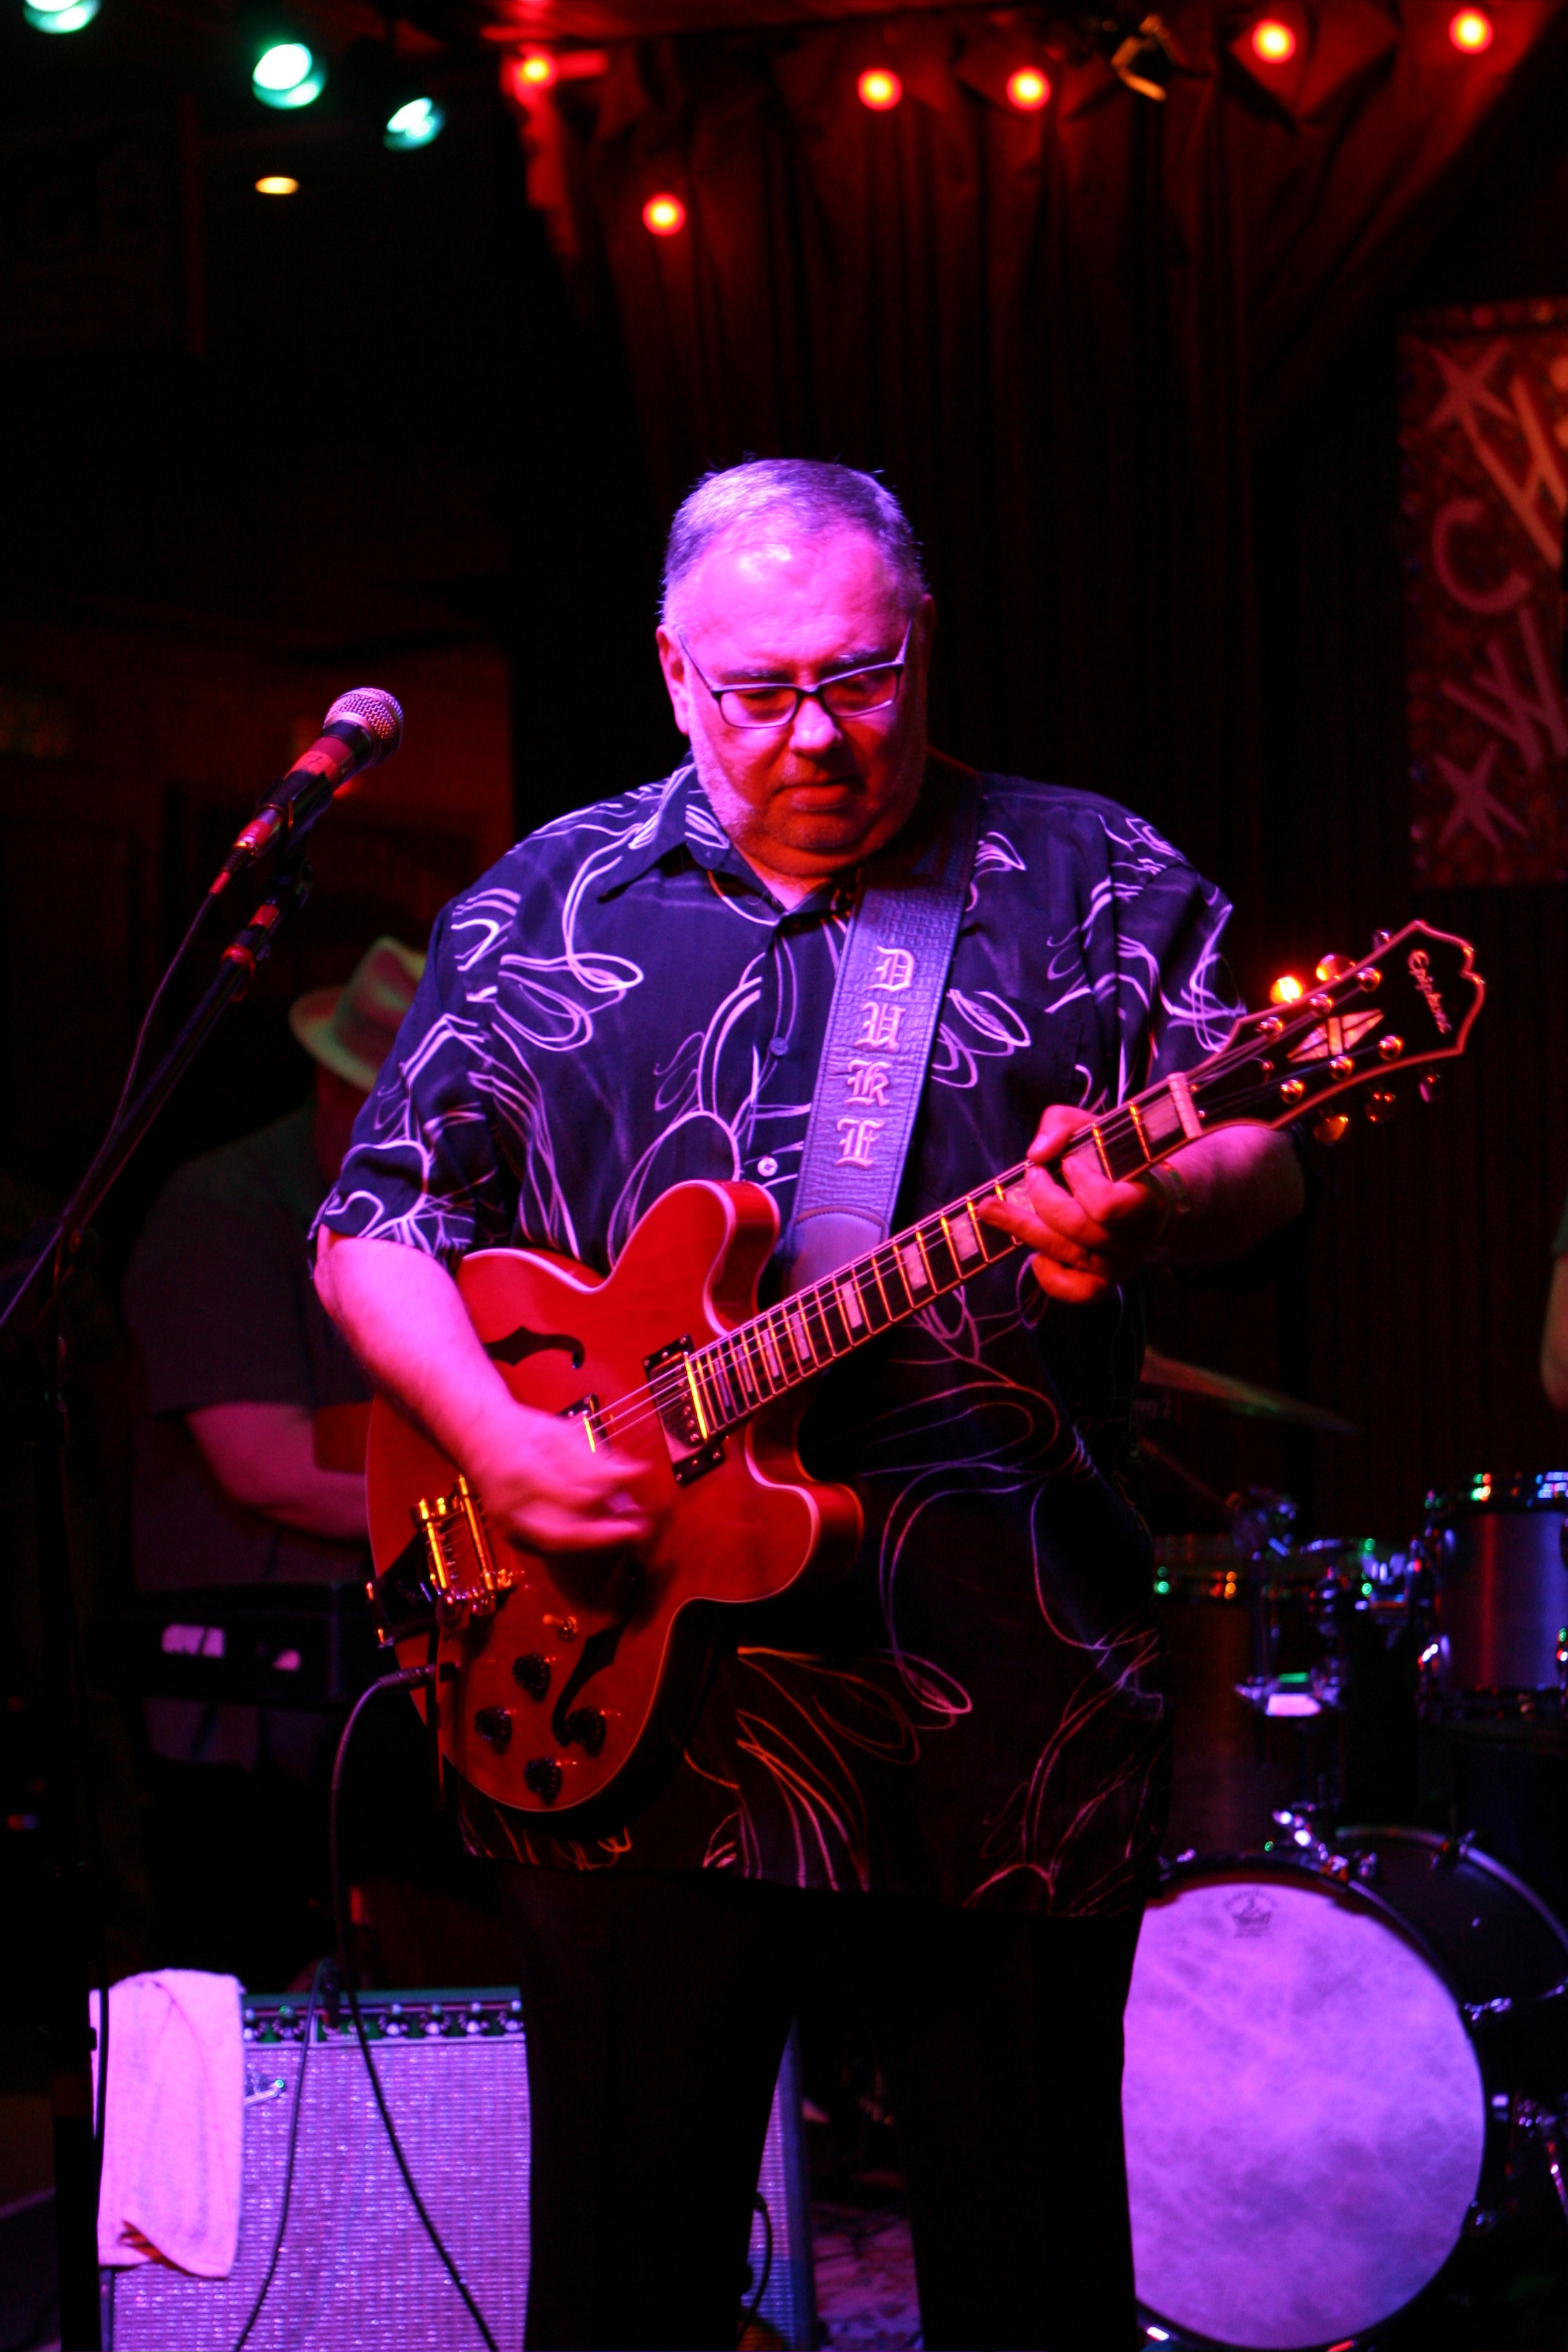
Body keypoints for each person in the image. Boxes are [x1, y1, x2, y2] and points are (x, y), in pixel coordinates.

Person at [313, 460, 1305, 2351]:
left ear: (922, 642)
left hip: (999, 1691)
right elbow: (375, 1229)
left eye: (860, 677)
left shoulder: (1087, 875)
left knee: (1032, 2288)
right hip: (618, 1700)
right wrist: (503, 1444)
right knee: (624, 2289)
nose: (818, 735)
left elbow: (1258, 1145)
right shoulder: (546, 903)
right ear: (672, 671)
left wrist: (1156, 1202)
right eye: (761, 692)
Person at [122, 936, 423, 1987]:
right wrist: (499, 1495)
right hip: (244, 1733)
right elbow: (269, 1469)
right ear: (335, 1089)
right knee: (252, 1997)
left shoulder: (424, 1222)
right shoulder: (225, 1208)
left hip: (388, 1690)